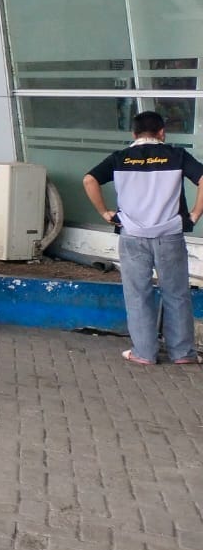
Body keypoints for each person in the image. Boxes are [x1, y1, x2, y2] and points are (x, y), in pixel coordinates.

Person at [83, 111, 203, 365]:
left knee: (138, 294)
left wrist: (104, 212)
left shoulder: (119, 158)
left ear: (134, 134)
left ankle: (144, 353)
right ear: (162, 133)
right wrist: (194, 214)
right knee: (177, 293)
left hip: (132, 235)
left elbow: (89, 180)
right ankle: (183, 353)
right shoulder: (177, 155)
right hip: (170, 234)